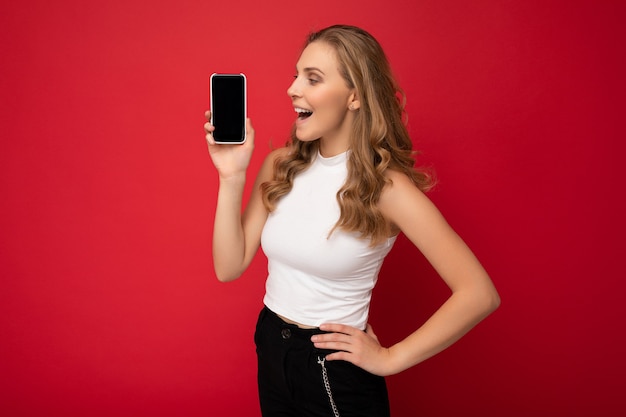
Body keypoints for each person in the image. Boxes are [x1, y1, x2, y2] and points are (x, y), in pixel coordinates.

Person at [204, 24, 500, 417]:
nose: (293, 89)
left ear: (355, 96)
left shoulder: (386, 188)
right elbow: (228, 266)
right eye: (296, 75)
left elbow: (479, 293)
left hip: (333, 370)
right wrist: (231, 176)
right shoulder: (281, 165)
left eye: (312, 78)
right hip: (272, 345)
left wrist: (391, 358)